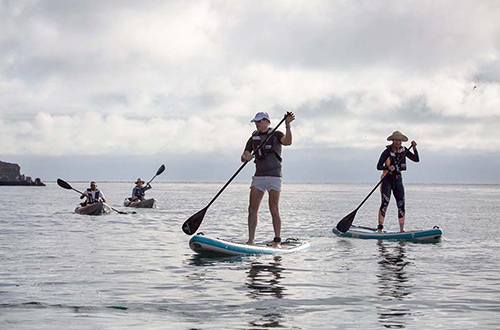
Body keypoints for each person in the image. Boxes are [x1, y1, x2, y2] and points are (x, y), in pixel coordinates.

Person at [241, 111, 295, 248]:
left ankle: (277, 240)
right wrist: (246, 157)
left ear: (267, 122)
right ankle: (251, 240)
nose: (257, 125)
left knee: (274, 208)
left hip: (274, 176)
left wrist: (287, 124)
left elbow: (288, 142)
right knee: (252, 208)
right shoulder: (253, 137)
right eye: (255, 122)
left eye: (259, 122)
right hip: (259, 176)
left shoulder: (276, 134)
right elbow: (244, 155)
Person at [376, 131, 419, 233]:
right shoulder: (386, 152)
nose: (398, 142)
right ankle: (380, 229)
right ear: (393, 141)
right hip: (387, 180)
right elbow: (378, 166)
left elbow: (416, 159)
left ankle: (401, 230)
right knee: (385, 203)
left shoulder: (404, 151)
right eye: (396, 140)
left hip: (398, 181)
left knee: (401, 204)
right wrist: (387, 167)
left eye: (399, 140)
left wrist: (414, 148)